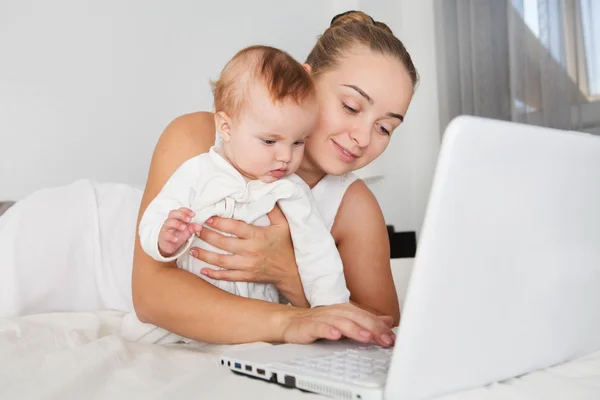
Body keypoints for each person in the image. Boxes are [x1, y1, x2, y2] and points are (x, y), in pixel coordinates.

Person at [0, 11, 418, 348]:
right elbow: (152, 296)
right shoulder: (201, 135)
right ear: (305, 79)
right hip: (71, 243)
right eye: (350, 105)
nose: (363, 137)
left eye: (386, 128)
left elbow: (377, 326)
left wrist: (288, 272)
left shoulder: (355, 206)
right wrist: (292, 320)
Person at [121, 45, 350, 344]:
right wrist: (166, 240)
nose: (285, 157)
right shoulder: (198, 172)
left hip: (254, 317)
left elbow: (318, 255)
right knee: (138, 333)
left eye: (298, 142)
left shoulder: (291, 191)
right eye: (270, 141)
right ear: (226, 127)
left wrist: (331, 309)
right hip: (195, 310)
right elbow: (156, 217)